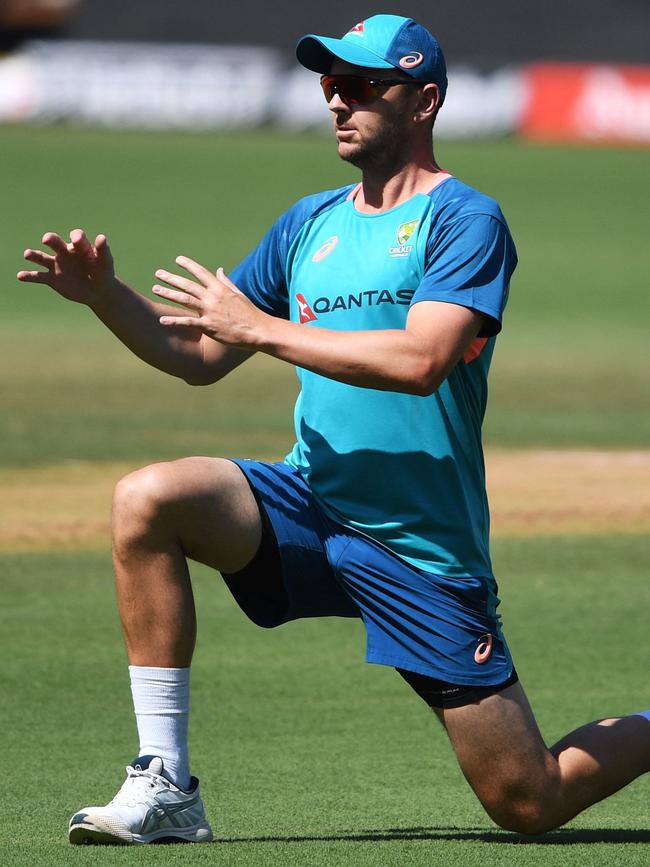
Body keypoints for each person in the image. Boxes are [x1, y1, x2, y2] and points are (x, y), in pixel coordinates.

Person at [19, 13, 650, 847]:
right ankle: (165, 782)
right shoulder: (308, 223)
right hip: (312, 504)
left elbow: (422, 358)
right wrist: (107, 296)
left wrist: (261, 329)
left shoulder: (465, 220)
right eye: (329, 84)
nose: (337, 100)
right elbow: (199, 354)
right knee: (149, 498)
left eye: (361, 85)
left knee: (527, 801)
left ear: (423, 101)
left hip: (421, 547)